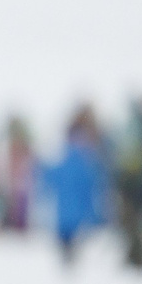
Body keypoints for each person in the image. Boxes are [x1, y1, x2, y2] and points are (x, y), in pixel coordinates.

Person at [40, 106, 105, 268]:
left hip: (63, 219)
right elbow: (92, 193)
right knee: (74, 259)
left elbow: (48, 180)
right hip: (78, 220)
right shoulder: (88, 165)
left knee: (66, 257)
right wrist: (95, 217)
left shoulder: (65, 162)